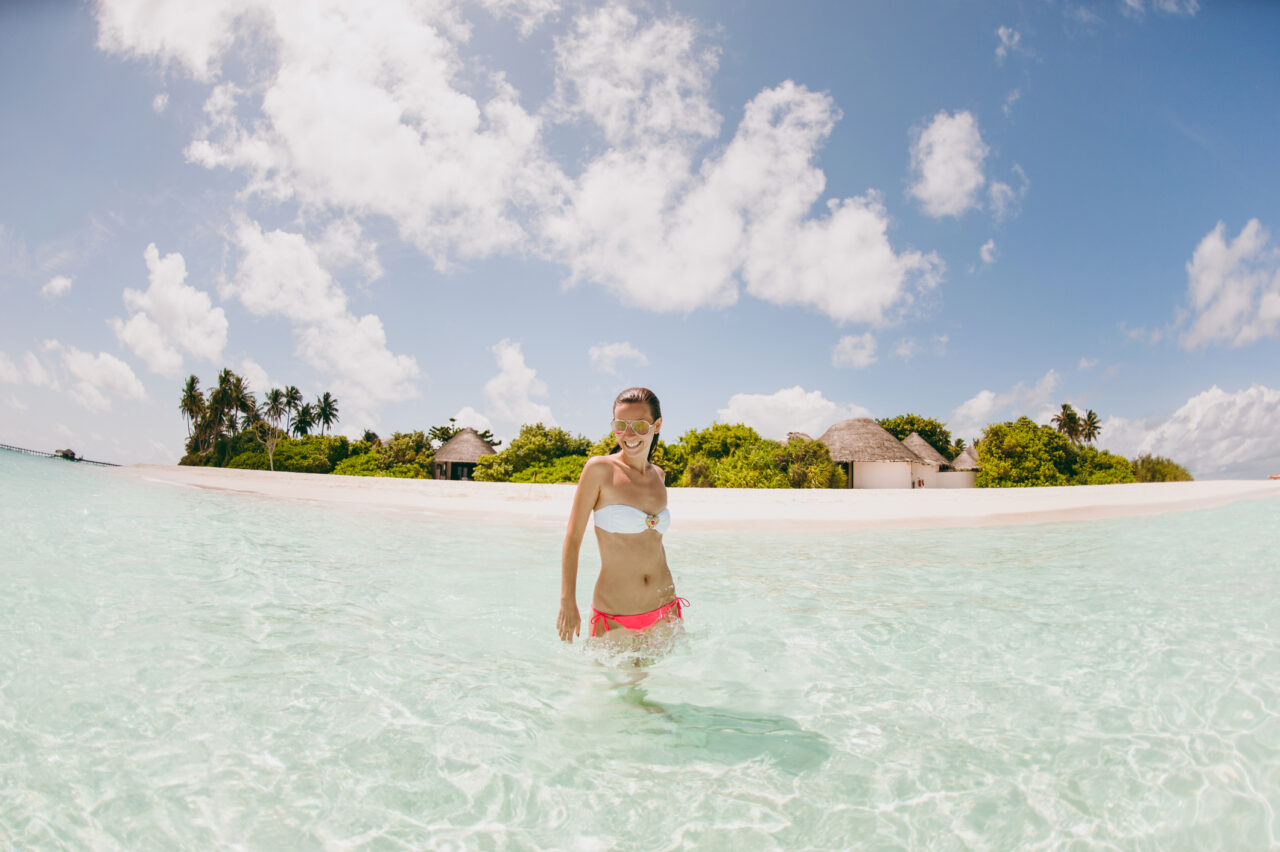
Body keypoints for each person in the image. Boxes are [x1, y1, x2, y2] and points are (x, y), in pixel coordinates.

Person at [557, 387, 686, 643]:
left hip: (666, 610)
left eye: (639, 425)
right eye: (620, 425)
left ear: (657, 425)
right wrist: (567, 602)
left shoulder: (659, 477)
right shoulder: (599, 469)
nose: (628, 435)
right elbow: (573, 539)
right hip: (616, 616)